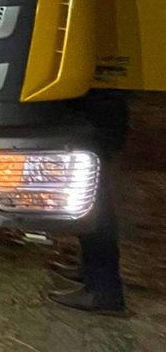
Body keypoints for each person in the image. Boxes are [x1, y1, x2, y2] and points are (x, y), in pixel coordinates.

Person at [46, 92, 130, 314]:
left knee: (94, 204)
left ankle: (103, 291)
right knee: (95, 199)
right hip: (103, 114)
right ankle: (91, 271)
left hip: (94, 118)